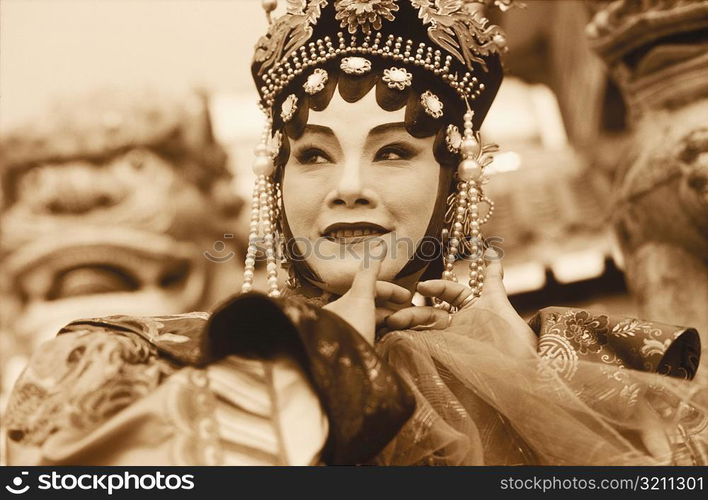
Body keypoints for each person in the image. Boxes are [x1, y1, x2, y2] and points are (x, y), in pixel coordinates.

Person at [4, 0, 706, 466]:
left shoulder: (585, 367)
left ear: (454, 180)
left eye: (394, 150)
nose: (347, 186)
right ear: (275, 180)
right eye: (311, 154)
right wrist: (311, 359)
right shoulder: (128, 362)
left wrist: (525, 373)